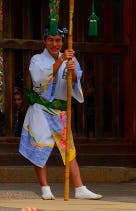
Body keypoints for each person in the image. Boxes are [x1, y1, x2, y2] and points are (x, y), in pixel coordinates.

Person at [19, 27, 102, 201]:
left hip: (61, 111)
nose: (54, 44)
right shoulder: (37, 60)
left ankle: (79, 188)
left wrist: (73, 71)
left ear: (63, 42)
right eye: (50, 39)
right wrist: (62, 59)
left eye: (58, 40)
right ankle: (45, 187)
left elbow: (76, 83)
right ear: (45, 41)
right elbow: (40, 79)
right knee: (40, 147)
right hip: (41, 109)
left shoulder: (71, 59)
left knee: (68, 149)